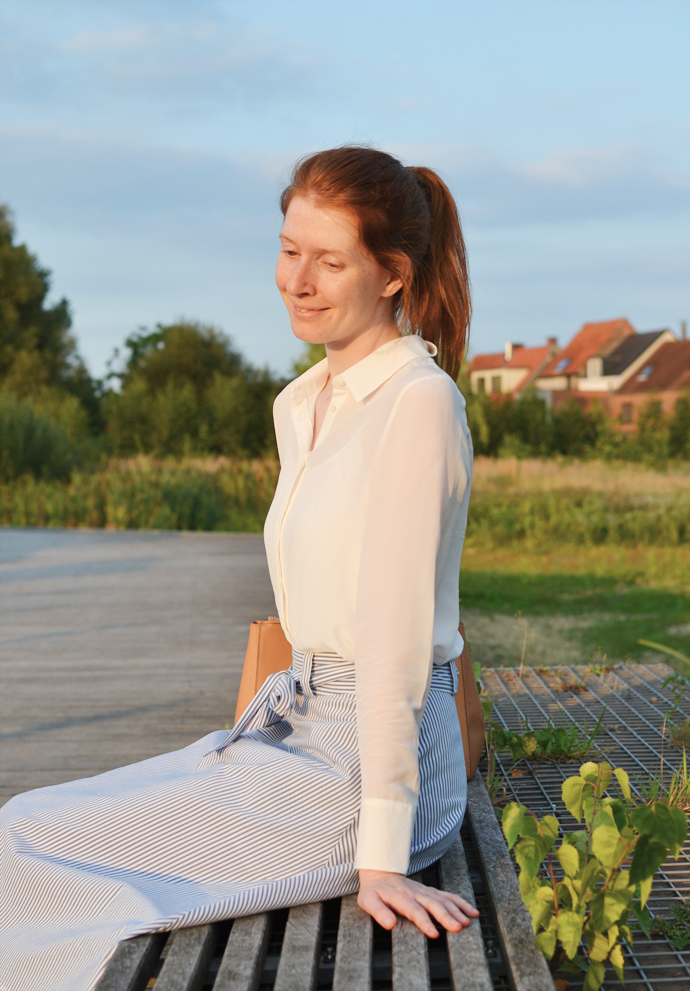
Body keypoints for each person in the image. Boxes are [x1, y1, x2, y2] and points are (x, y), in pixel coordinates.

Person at [0, 146, 477, 991]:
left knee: (32, 850)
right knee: (26, 823)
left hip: (368, 767)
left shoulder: (417, 403)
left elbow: (396, 647)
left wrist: (380, 857)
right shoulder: (307, 403)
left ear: (394, 274)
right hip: (298, 728)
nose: (299, 279)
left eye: (330, 261)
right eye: (290, 249)